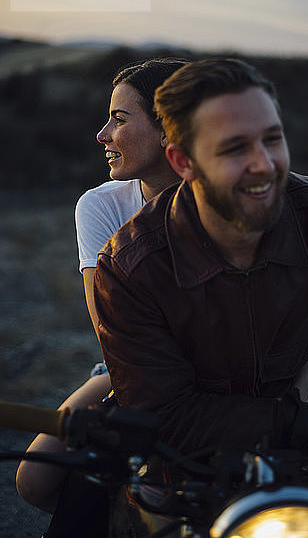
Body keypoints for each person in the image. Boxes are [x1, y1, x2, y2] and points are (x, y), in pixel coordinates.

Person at [95, 58, 308, 462]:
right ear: (183, 161)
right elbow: (163, 415)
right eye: (233, 147)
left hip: (286, 448)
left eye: (272, 140)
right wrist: (300, 426)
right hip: (185, 470)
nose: (264, 165)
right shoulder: (130, 266)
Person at [15, 58, 187, 514]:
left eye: (119, 118)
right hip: (131, 369)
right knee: (36, 478)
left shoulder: (235, 203)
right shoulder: (101, 205)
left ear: (171, 129)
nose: (102, 134)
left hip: (230, 377)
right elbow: (108, 329)